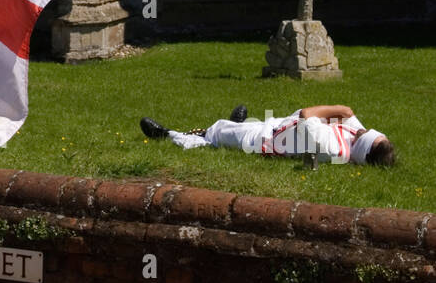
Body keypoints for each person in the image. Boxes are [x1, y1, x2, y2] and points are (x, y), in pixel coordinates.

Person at [139, 104, 396, 166]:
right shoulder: (355, 136)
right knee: (228, 128)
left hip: (262, 141)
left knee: (214, 134)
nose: (360, 127)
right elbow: (349, 118)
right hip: (275, 127)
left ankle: (168, 135)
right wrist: (344, 113)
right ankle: (233, 123)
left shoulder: (334, 148)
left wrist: (339, 109)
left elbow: (308, 113)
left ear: (361, 147)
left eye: (364, 133)